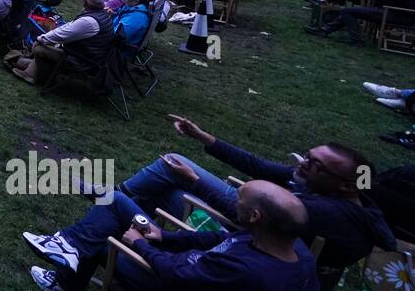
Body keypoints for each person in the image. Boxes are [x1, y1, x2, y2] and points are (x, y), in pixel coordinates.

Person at [24, 179, 321, 291]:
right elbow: (217, 239)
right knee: (114, 201)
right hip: (189, 272)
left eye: (239, 203)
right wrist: (164, 238)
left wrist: (141, 245)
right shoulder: (287, 246)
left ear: (256, 217)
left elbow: (176, 275)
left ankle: (68, 282)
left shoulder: (246, 270)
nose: (234, 206)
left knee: (105, 239)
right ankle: (66, 248)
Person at [115, 114, 395, 272]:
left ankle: (115, 206)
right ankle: (117, 211)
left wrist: (196, 181)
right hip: (256, 217)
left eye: (314, 164)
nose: (303, 164)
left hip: (249, 239)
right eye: (307, 156)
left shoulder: (324, 212)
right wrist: (201, 136)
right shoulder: (318, 183)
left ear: (346, 184)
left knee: (168, 178)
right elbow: (257, 165)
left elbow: (246, 216)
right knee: (171, 173)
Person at [12, 0, 113, 86]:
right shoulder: (103, 15)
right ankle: (31, 71)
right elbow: (70, 26)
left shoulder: (89, 21)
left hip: (80, 59)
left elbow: (61, 35)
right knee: (49, 42)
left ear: (85, 1)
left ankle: (34, 75)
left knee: (40, 46)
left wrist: (40, 39)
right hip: (92, 56)